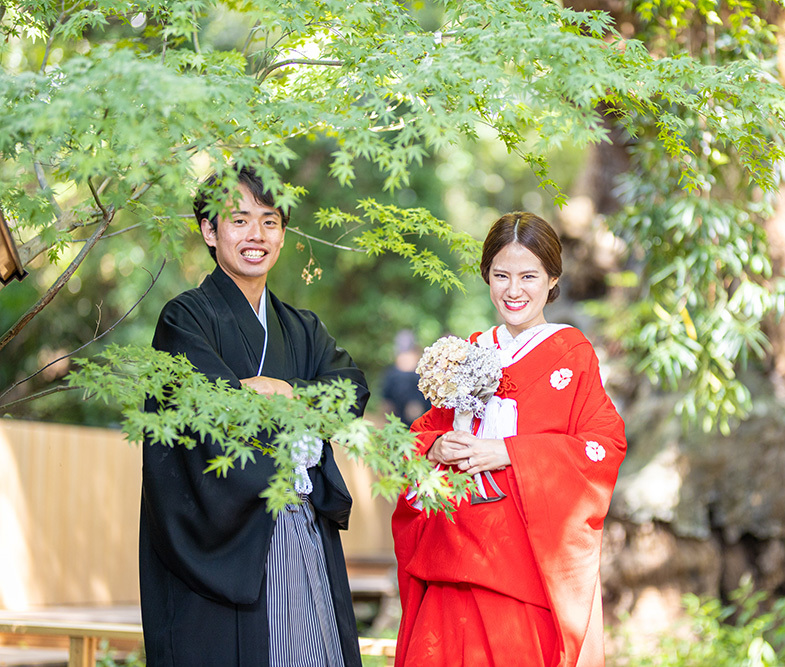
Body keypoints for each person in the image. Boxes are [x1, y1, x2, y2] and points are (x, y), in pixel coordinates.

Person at [139, 165, 369, 667]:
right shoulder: (185, 319)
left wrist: (283, 391)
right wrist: (286, 409)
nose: (256, 235)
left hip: (303, 528)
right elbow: (206, 406)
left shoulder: (302, 327)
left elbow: (351, 389)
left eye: (270, 221)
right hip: (227, 535)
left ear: (283, 235)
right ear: (209, 230)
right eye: (238, 220)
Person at [391, 212, 627, 666]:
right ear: (487, 276)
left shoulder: (571, 354)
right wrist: (435, 447)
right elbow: (421, 436)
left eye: (528, 276)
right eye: (501, 275)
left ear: (552, 278)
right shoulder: (468, 352)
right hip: (452, 548)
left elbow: (602, 446)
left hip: (520, 558)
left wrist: (509, 453)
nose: (513, 290)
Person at [380, 329, 432, 428]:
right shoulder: (392, 374)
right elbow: (386, 404)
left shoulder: (426, 374)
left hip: (424, 431)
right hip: (400, 430)